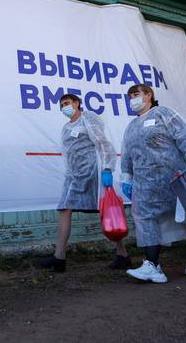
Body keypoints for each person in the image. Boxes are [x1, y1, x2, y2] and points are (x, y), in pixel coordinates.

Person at [121, 84, 186, 283]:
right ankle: (152, 266)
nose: (132, 99)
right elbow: (127, 155)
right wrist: (126, 177)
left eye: (136, 94)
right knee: (144, 219)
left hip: (174, 177)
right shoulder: (131, 126)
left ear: (149, 95)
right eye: (129, 96)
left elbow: (184, 136)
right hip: (145, 184)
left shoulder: (163, 113)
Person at [39, 94, 128, 272]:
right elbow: (68, 153)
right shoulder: (66, 128)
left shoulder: (88, 119)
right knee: (64, 209)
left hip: (92, 173)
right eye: (62, 104)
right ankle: (59, 257)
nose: (65, 106)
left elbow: (103, 144)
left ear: (77, 103)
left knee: (105, 212)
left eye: (68, 103)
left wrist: (107, 168)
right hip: (74, 176)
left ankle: (123, 254)